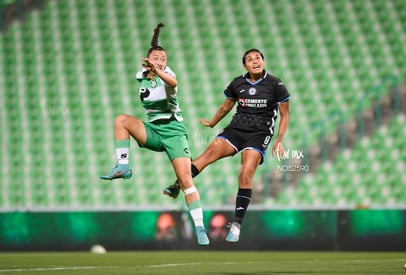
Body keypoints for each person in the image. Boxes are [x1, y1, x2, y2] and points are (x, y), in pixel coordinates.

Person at [163, 48, 290, 242]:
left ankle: (237, 224)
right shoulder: (237, 83)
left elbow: (285, 114)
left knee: (245, 173)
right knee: (207, 154)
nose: (255, 61)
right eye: (250, 59)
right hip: (235, 131)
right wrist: (212, 122)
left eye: (258, 58)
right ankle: (177, 184)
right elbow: (226, 106)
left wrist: (279, 140)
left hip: (259, 134)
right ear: (244, 65)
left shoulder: (275, 84)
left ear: (263, 61)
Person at [100, 23, 209, 246]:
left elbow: (173, 83)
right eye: (156, 58)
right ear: (148, 59)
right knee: (121, 120)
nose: (161, 61)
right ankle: (123, 166)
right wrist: (151, 68)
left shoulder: (168, 75)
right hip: (153, 131)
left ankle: (199, 227)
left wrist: (159, 70)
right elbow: (147, 76)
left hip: (174, 132)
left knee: (185, 179)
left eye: (164, 59)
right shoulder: (141, 74)